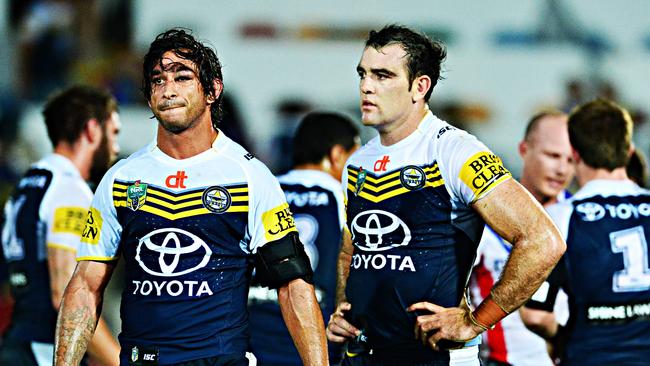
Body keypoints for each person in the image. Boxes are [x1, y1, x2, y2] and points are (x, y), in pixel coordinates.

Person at [54, 28, 328, 366]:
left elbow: (293, 284)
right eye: (157, 80)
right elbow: (85, 284)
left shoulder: (250, 176)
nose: (168, 90)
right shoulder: (121, 179)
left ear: (213, 90)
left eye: (182, 77)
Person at [325, 24, 566, 366]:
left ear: (419, 87)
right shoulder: (357, 162)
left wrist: (475, 321)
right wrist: (342, 309)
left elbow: (543, 240)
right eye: (363, 74)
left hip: (433, 358)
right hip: (364, 356)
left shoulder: (456, 151)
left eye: (382, 76)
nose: (366, 86)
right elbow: (351, 251)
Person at [521, 99, 650, 365]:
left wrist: (561, 340)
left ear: (576, 155)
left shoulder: (561, 217)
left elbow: (535, 315)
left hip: (590, 355)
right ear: (628, 151)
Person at [0, 85, 121, 365]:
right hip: (43, 350)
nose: (114, 148)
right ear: (92, 130)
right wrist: (118, 361)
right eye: (113, 133)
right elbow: (67, 296)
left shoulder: (28, 184)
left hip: (19, 342)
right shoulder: (69, 190)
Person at [248, 111, 360, 365]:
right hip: (315, 347)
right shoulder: (344, 198)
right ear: (337, 155)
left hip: (252, 344)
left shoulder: (263, 191)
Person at [471, 111, 574, 366]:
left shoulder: (581, 218)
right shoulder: (484, 216)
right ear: (524, 149)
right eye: (552, 156)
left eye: (571, 160)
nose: (561, 169)